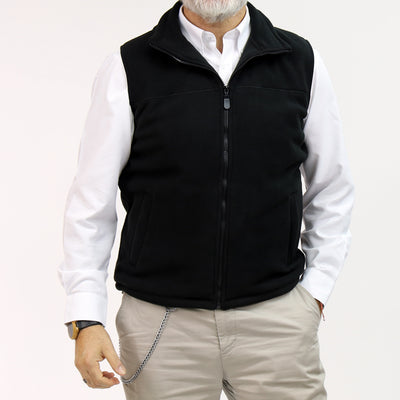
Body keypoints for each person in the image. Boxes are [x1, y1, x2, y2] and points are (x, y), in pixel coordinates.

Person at [57, 1, 355, 399]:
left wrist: (313, 294)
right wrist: (85, 317)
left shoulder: (301, 62)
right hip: (161, 327)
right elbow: (90, 202)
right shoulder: (128, 66)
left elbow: (331, 187)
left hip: (276, 321)